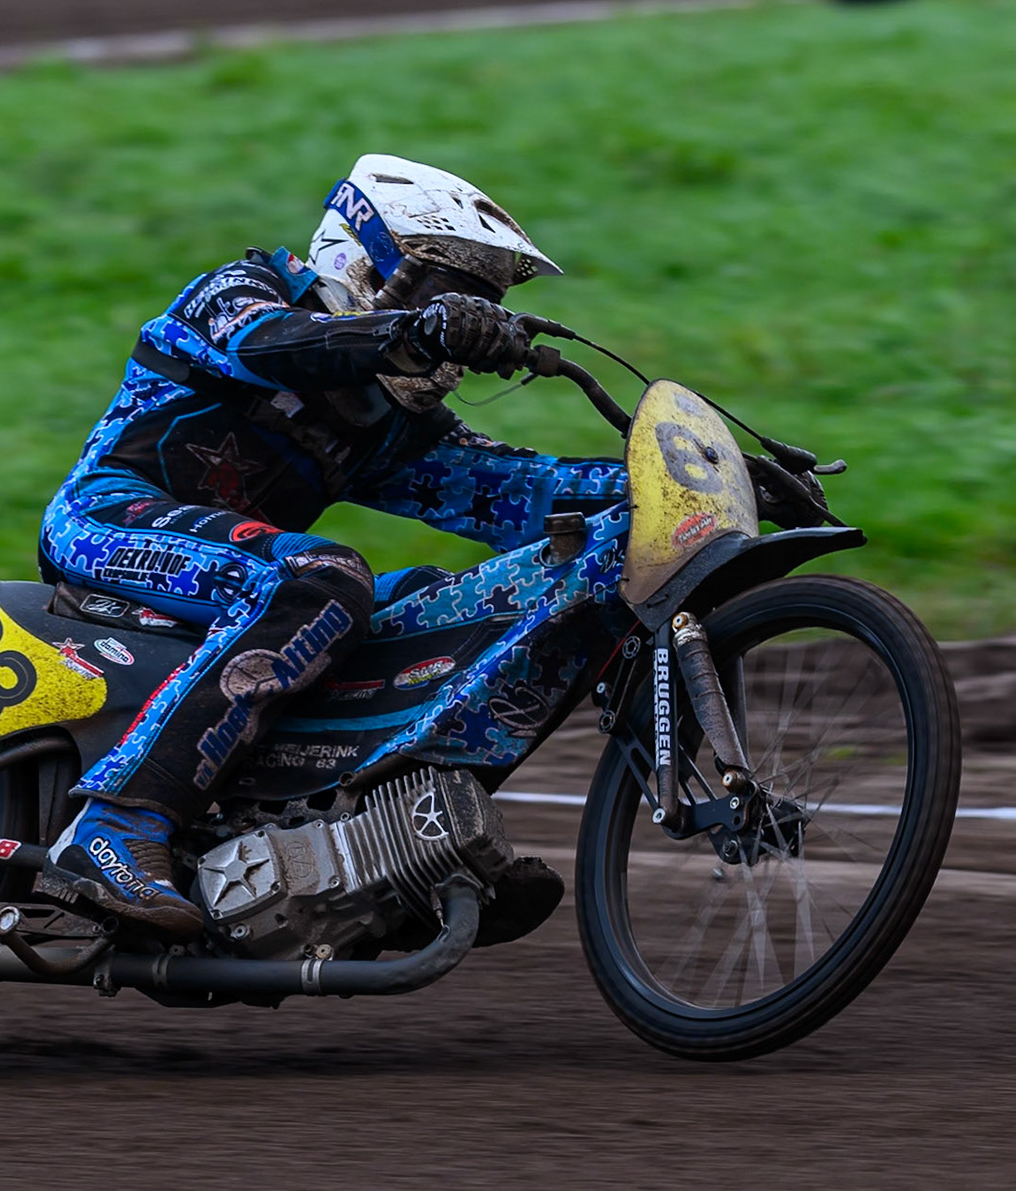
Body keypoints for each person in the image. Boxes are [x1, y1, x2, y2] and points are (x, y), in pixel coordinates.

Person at [40, 155, 628, 937]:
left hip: (241, 567)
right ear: (361, 256)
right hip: (107, 520)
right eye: (454, 296)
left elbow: (519, 491)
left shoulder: (391, 424)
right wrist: (407, 331)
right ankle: (111, 828)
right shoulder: (242, 292)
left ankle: (404, 842)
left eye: (483, 306)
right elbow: (273, 344)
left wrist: (686, 478)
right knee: (322, 577)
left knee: (449, 603)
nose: (468, 324)